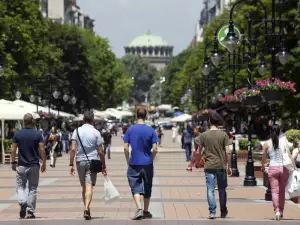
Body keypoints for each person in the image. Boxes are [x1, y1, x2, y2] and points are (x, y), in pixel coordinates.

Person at [69, 110, 107, 220]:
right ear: (93, 120)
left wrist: (71, 164)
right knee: (89, 185)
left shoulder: (76, 131)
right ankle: (86, 208)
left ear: (83, 119)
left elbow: (72, 149)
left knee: (84, 187)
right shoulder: (96, 132)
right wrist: (103, 164)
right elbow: (100, 151)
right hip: (93, 162)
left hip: (80, 161)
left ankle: (86, 208)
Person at [123, 108, 159, 220]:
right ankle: (146, 210)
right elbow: (155, 148)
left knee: (135, 186)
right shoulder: (151, 130)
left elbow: (125, 147)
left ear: (136, 116)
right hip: (147, 163)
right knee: (148, 186)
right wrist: (151, 159)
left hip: (134, 162)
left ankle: (139, 208)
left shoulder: (130, 129)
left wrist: (127, 160)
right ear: (146, 116)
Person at [10, 113, 46, 219]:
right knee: (33, 188)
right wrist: (44, 163)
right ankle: (30, 211)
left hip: (21, 165)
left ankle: (22, 201)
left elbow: (13, 149)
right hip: (34, 165)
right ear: (32, 121)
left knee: (20, 186)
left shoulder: (17, 134)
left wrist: (13, 162)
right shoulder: (37, 134)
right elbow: (42, 150)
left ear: (23, 121)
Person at [199, 112, 231, 219]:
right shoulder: (224, 135)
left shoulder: (204, 135)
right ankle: (223, 211)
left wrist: (201, 158)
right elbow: (227, 152)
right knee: (222, 189)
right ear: (218, 123)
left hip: (209, 165)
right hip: (221, 165)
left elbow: (200, 151)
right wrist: (229, 166)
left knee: (210, 189)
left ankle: (212, 212)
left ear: (209, 122)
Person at [261, 124, 293, 221]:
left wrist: (262, 166)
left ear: (270, 131)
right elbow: (289, 154)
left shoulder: (267, 143)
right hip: (283, 168)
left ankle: (277, 211)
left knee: (275, 191)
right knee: (282, 191)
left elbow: (264, 157)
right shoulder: (284, 142)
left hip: (273, 168)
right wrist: (293, 166)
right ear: (280, 131)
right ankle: (282, 211)